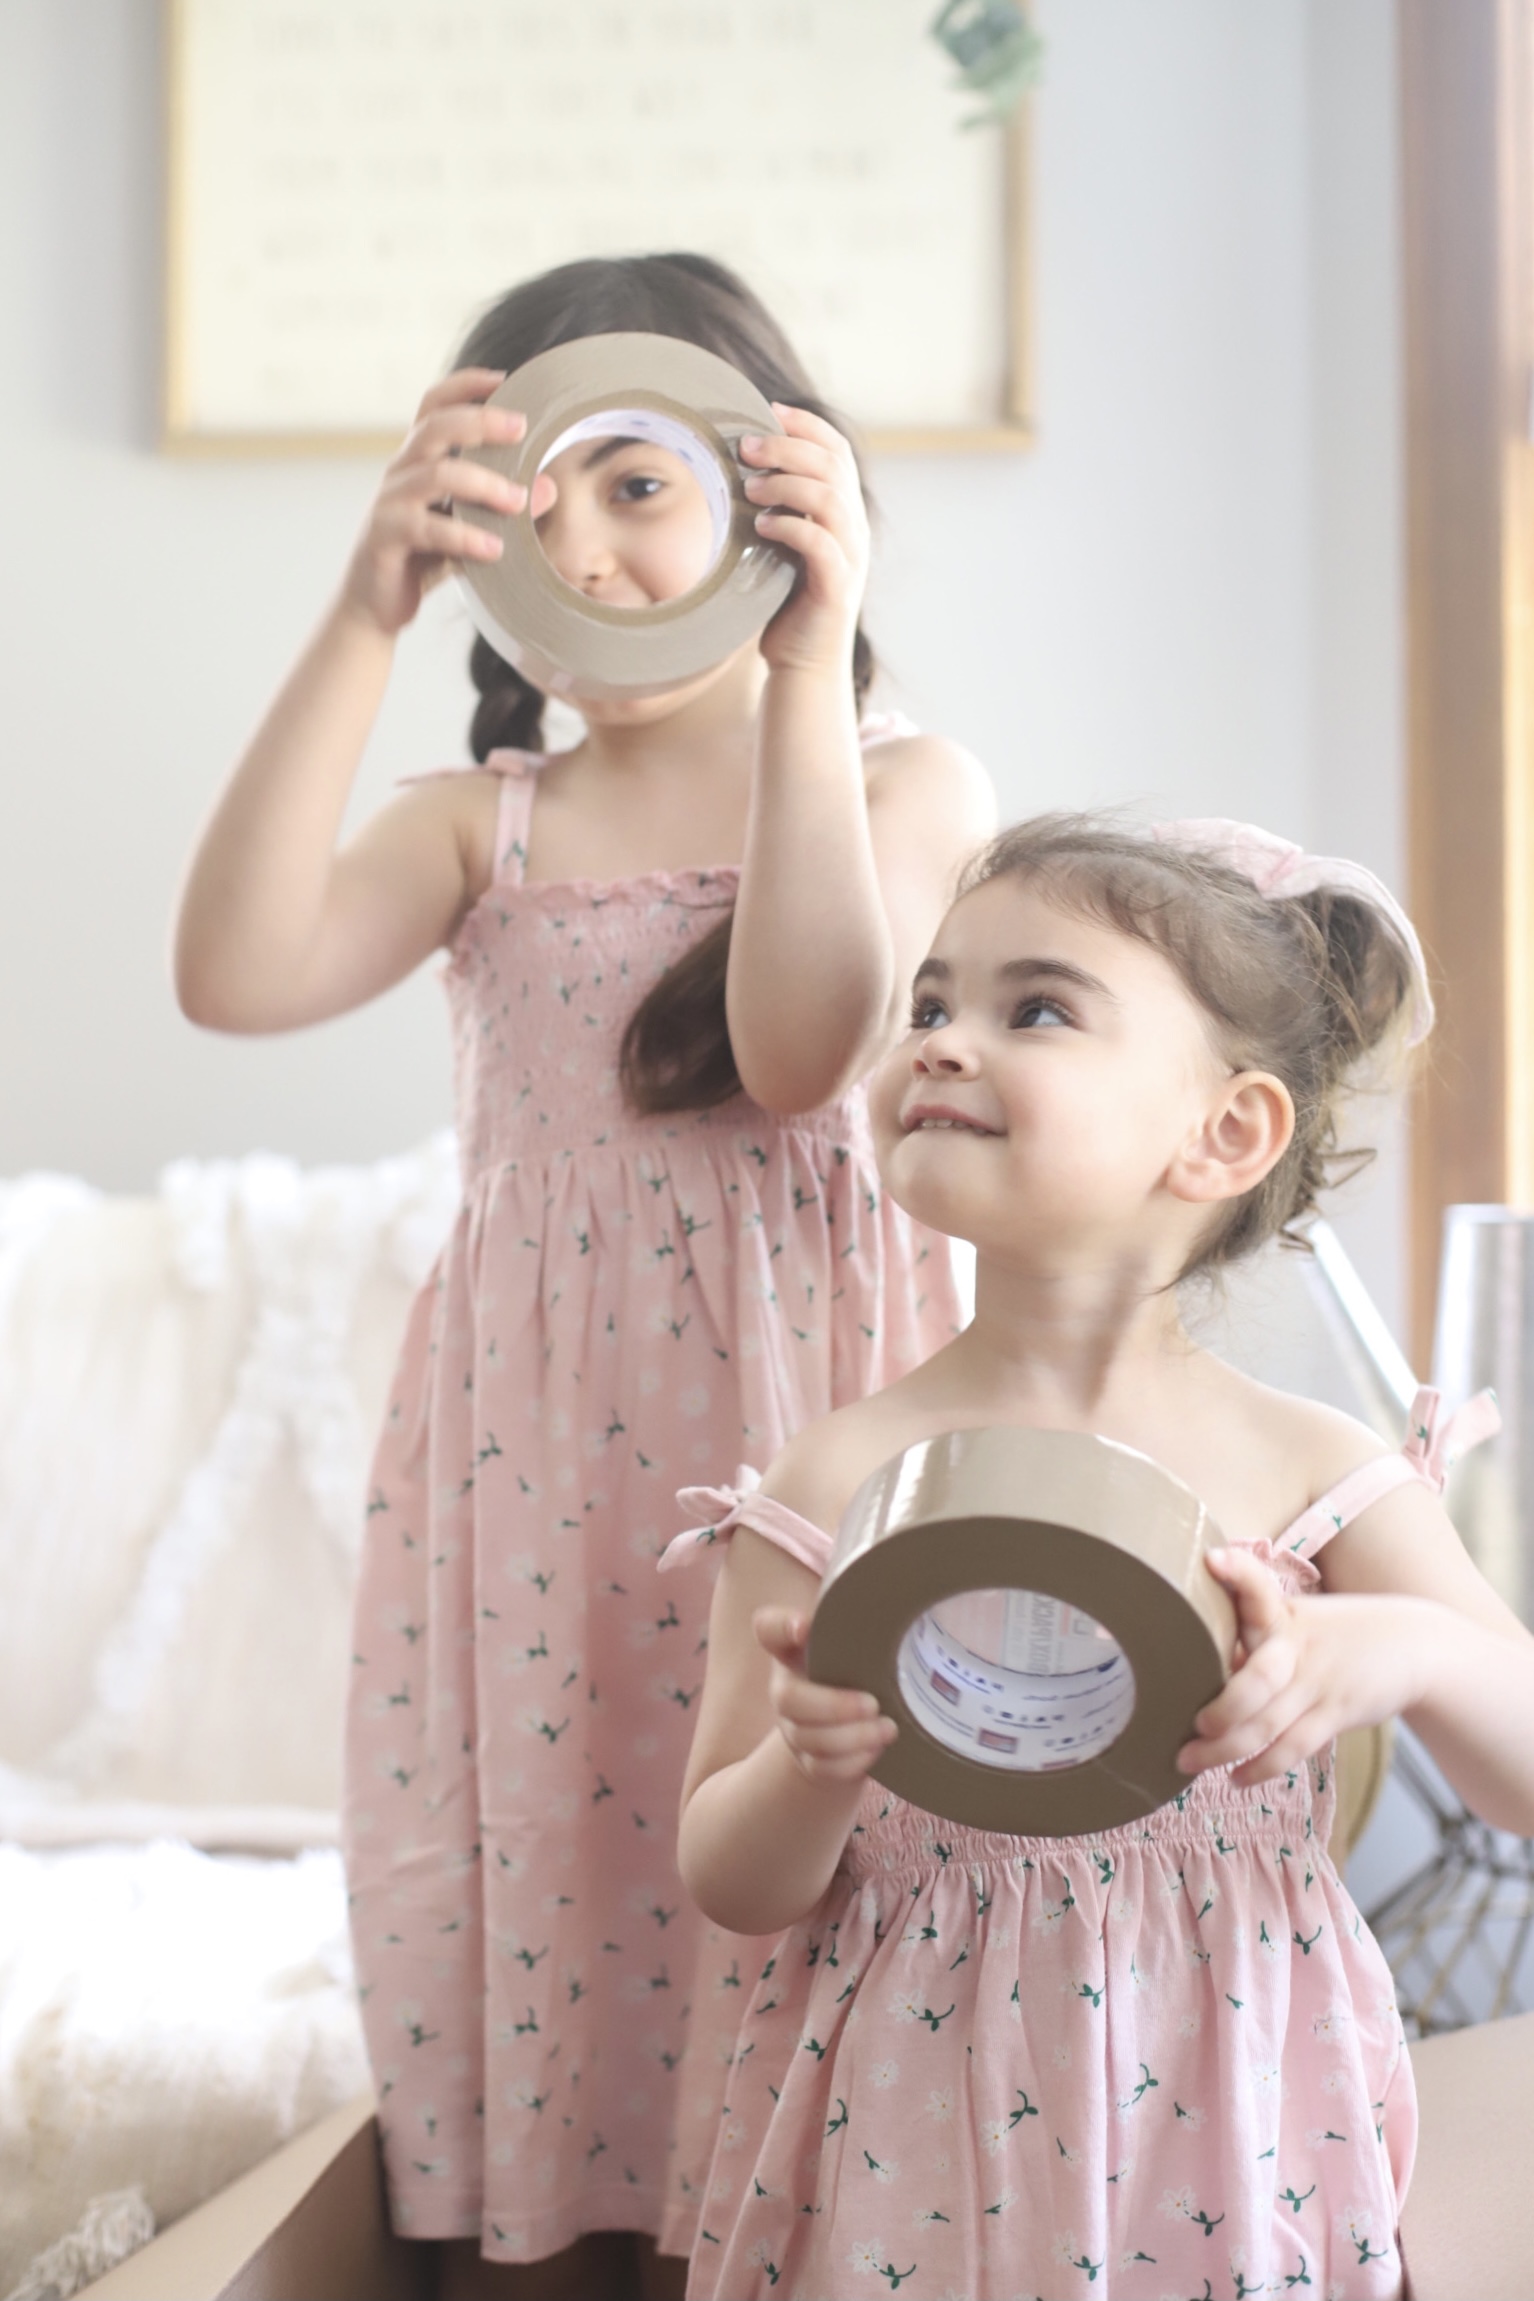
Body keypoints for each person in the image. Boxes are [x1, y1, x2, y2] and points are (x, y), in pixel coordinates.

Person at [172, 253, 994, 2300]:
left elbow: (802, 1040)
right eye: (525, 506)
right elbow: (235, 969)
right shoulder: (485, 825)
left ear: (763, 497)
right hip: (541, 1491)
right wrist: (357, 615)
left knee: (805, 1855)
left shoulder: (901, 782)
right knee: (569, 1860)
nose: (587, 551)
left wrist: (803, 672)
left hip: (808, 1450)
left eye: (630, 488)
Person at [666, 813, 1534, 2300]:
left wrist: (1394, 1650)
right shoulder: (834, 1475)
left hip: (1230, 2130)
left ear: (1225, 1132)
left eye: (1036, 1008)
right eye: (930, 1002)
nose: (937, 1041)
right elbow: (727, 1880)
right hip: (918, 2137)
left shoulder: (1314, 1470)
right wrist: (805, 1772)